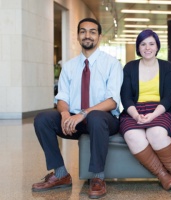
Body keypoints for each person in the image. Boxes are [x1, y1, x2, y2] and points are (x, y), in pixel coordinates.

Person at [32, 18, 123, 199]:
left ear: (99, 36)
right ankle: (60, 174)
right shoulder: (70, 66)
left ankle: (97, 177)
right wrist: (65, 114)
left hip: (104, 121)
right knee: (42, 119)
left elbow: (112, 101)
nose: (87, 35)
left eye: (92, 31)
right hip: (74, 120)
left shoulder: (112, 63)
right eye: (83, 31)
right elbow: (62, 98)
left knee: (96, 117)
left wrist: (83, 114)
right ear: (78, 35)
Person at [119, 29, 171, 191]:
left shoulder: (168, 67)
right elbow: (126, 97)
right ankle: (163, 175)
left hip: (161, 110)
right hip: (133, 111)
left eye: (151, 44)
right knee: (132, 135)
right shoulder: (129, 67)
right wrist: (136, 115)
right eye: (143, 44)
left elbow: (168, 97)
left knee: (155, 133)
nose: (147, 47)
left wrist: (153, 115)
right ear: (138, 47)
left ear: (157, 47)